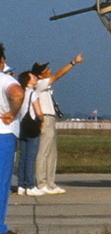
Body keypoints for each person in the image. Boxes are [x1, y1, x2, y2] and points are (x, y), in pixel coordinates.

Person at [32, 54, 82, 195]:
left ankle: (50, 182)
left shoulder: (45, 85)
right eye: (46, 70)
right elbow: (59, 74)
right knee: (43, 152)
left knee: (52, 153)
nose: (49, 70)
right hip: (45, 118)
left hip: (51, 117)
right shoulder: (40, 84)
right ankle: (41, 182)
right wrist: (73, 62)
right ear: (40, 75)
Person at [0, 47, 23, 234]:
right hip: (3, 133)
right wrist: (12, 112)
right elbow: (17, 94)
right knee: (1, 181)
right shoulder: (6, 79)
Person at [14, 71, 43, 196]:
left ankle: (21, 185)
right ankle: (30, 185)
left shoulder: (20, 92)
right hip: (31, 127)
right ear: (28, 80)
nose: (35, 78)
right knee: (30, 157)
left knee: (22, 157)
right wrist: (41, 122)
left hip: (20, 126)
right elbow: (38, 113)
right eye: (32, 77)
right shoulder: (32, 93)